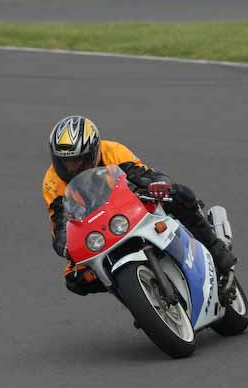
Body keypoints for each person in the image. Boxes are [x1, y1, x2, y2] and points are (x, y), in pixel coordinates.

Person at [42, 115, 237, 296]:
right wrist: (65, 245)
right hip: (99, 230)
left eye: (77, 160)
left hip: (131, 205)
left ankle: (217, 250)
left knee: (180, 195)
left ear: (93, 151)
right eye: (64, 162)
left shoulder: (112, 151)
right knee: (76, 279)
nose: (71, 167)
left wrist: (159, 184)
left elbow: (142, 173)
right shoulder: (52, 181)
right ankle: (137, 295)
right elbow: (59, 221)